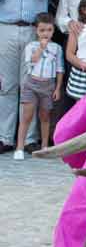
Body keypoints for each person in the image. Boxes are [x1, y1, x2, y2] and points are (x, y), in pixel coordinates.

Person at [0, 0, 59, 154]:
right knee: (7, 85)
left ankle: (30, 138)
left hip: (35, 33)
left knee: (33, 85)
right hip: (7, 28)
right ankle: (5, 137)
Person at [13, 13, 63, 160]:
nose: (45, 33)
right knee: (26, 116)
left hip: (48, 85)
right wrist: (41, 48)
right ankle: (20, 147)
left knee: (45, 116)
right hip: (32, 84)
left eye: (49, 30)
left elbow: (60, 68)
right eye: (42, 30)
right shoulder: (31, 46)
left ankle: (44, 148)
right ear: (36, 30)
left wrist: (57, 88)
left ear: (53, 30)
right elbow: (32, 62)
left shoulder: (57, 48)